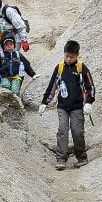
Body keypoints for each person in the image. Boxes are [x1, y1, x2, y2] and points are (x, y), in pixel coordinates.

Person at [40, 40, 95, 170]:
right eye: (66, 56)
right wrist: (44, 103)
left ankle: (81, 157)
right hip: (62, 107)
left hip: (77, 107)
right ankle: (61, 159)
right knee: (62, 131)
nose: (68, 59)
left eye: (71, 56)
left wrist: (88, 102)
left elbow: (90, 87)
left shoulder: (81, 68)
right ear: (64, 54)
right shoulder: (59, 68)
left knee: (77, 132)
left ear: (77, 55)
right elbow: (52, 87)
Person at [0, 34, 36, 103]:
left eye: (11, 44)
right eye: (6, 45)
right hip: (4, 77)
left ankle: (16, 103)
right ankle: (5, 103)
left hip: (17, 76)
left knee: (15, 90)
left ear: (14, 45)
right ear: (3, 46)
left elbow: (26, 64)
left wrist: (33, 75)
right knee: (5, 87)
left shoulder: (17, 54)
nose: (9, 46)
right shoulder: (1, 55)